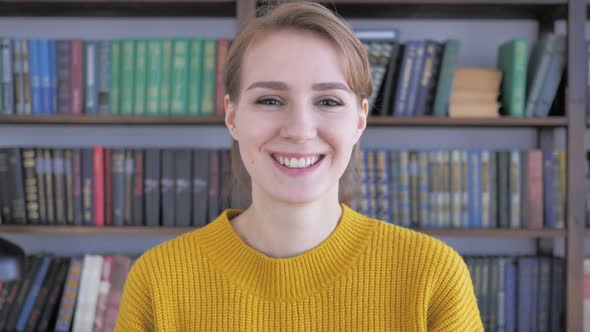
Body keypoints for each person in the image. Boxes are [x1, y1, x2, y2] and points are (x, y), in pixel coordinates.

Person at [115, 2, 483, 331]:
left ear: (360, 119)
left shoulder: (431, 275)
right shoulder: (159, 279)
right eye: (271, 99)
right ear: (232, 116)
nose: (299, 130)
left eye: (328, 101)